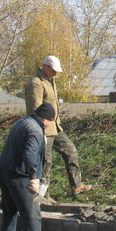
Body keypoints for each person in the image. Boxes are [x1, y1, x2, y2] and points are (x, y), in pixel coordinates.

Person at [25, 55, 91, 203]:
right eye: (54, 71)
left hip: (55, 127)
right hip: (43, 130)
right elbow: (34, 109)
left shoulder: (50, 81)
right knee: (45, 163)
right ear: (46, 67)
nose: (56, 74)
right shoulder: (36, 83)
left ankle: (77, 185)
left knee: (71, 150)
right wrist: (38, 131)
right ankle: (43, 196)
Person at [0, 102, 58, 231]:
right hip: (19, 174)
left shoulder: (22, 122)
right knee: (31, 212)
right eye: (51, 121)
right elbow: (30, 154)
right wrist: (34, 177)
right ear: (47, 119)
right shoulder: (35, 130)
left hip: (4, 171)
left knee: (9, 212)